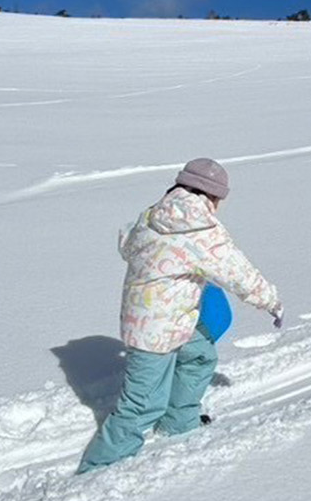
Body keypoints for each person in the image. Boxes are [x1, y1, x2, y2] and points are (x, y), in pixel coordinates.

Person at [77, 158, 281, 474]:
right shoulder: (202, 231)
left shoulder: (153, 214)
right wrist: (271, 302)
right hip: (154, 330)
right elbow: (238, 273)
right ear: (212, 196)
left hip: (161, 315)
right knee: (141, 404)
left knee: (199, 354)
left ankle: (179, 421)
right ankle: (97, 468)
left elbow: (127, 245)